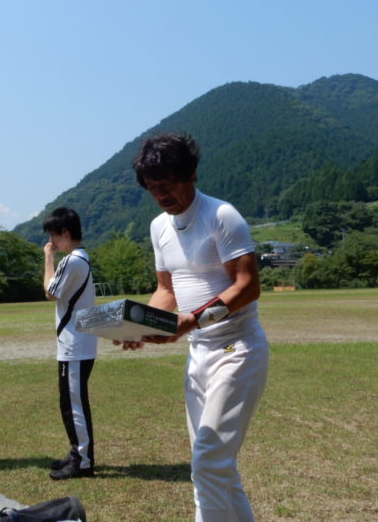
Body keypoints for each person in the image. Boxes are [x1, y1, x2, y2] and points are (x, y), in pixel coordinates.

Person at [121, 133, 268, 522]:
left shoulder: (221, 216)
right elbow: (166, 290)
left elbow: (248, 285)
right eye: (151, 187)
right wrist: (138, 324)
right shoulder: (159, 227)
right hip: (198, 353)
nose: (160, 195)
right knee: (216, 468)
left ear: (190, 174)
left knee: (208, 462)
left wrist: (194, 320)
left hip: (236, 349)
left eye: (167, 184)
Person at [41, 207, 96, 480]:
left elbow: (50, 292)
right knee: (70, 402)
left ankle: (82, 461)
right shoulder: (81, 259)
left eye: (53, 235)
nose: (51, 241)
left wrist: (48, 258)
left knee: (74, 405)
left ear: (65, 232)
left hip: (75, 345)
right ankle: (77, 453)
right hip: (77, 344)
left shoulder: (72, 261)